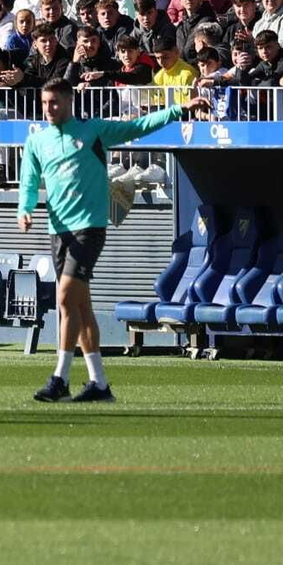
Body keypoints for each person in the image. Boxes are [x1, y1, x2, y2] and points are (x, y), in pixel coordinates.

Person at [18, 79, 210, 404]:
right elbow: (29, 179)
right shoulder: (38, 141)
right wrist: (24, 209)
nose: (48, 109)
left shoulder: (94, 131)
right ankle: (99, 384)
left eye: (54, 103)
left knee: (64, 298)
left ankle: (60, 378)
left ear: (68, 102)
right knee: (80, 306)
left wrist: (179, 109)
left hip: (89, 228)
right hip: (58, 231)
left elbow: (138, 126)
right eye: (44, 103)